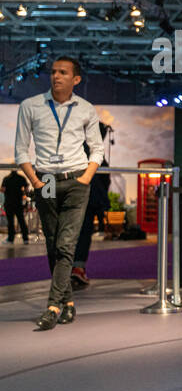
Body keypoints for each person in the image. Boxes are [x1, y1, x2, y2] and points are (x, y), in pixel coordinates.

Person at [13, 56, 104, 330]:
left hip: (76, 181)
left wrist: (86, 178)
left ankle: (53, 306)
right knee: (52, 244)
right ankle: (69, 303)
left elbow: (97, 148)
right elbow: (20, 149)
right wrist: (36, 182)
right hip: (46, 181)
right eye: (53, 71)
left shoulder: (86, 109)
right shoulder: (30, 106)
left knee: (66, 245)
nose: (56, 76)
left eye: (63, 72)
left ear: (76, 79)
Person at [71, 123, 112, 287]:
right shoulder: (96, 153)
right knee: (83, 233)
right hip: (88, 199)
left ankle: (67, 269)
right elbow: (104, 178)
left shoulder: (75, 150)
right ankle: (78, 268)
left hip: (73, 197)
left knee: (70, 233)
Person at [3, 169, 30, 243]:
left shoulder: (6, 178)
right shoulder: (21, 178)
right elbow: (27, 189)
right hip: (18, 202)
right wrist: (23, 194)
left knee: (10, 222)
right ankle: (25, 238)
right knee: (21, 221)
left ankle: (11, 239)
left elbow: (3, 189)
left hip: (9, 202)